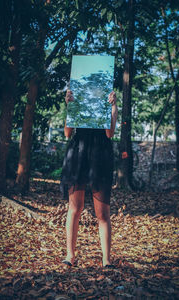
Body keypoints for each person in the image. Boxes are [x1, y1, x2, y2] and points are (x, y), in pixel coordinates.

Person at [60, 89, 118, 268]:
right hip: (78, 152)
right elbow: (67, 133)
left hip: (100, 154)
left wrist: (113, 106)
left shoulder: (107, 102)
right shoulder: (78, 100)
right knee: (75, 209)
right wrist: (70, 105)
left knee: (102, 213)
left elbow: (110, 133)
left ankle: (106, 259)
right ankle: (70, 255)